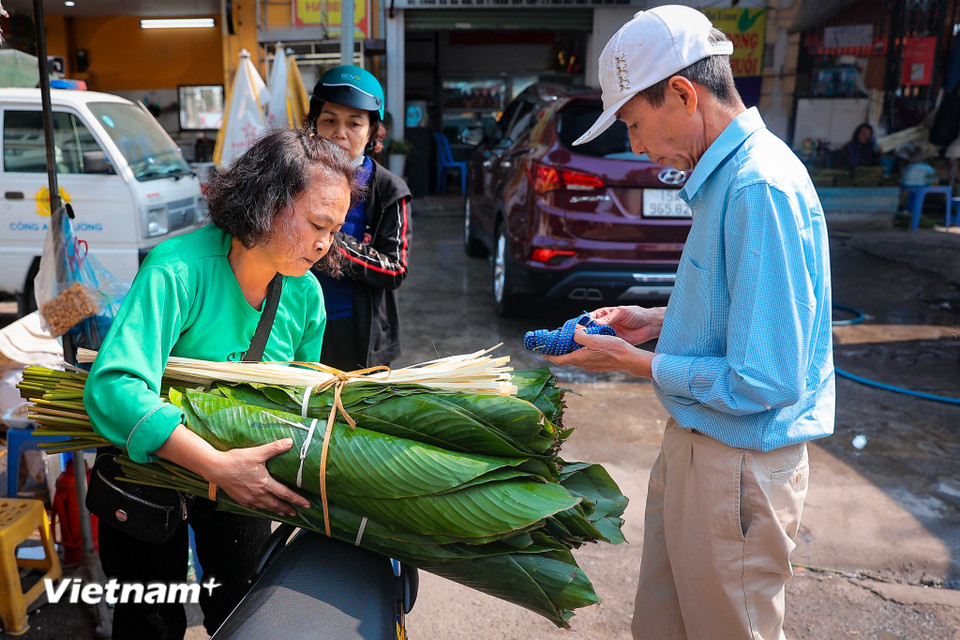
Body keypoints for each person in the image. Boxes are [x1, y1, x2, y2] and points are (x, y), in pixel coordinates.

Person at [539, 6, 835, 640]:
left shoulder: (760, 187)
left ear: (682, 93)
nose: (639, 149)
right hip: (701, 446)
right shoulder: (727, 179)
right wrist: (654, 319)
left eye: (637, 126)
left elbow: (767, 378)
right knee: (666, 624)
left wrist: (632, 363)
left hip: (739, 460)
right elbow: (746, 314)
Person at [83, 128, 354, 639]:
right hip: (148, 479)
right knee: (148, 622)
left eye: (335, 230)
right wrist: (217, 466)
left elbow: (295, 404)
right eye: (318, 223)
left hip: (242, 485)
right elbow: (114, 388)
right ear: (267, 202)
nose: (324, 244)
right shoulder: (178, 270)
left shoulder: (305, 298)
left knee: (241, 612)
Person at [307, 64, 412, 371]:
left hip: (359, 331)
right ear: (314, 124)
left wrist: (329, 238)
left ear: (371, 133)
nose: (340, 133)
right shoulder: (293, 179)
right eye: (329, 120)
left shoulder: (389, 189)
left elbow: (395, 269)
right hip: (297, 322)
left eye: (354, 123)